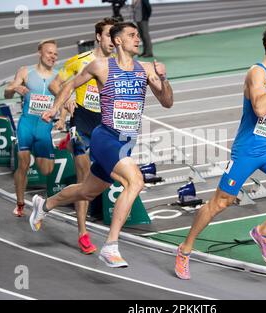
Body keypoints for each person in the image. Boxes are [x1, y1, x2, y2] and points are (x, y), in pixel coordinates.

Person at [175, 24, 266, 280]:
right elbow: (261, 109)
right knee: (221, 202)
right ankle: (185, 249)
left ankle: (262, 232)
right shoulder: (257, 73)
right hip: (249, 150)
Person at [29, 22, 173, 268]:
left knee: (87, 190)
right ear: (117, 41)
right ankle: (110, 246)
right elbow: (69, 85)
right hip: (105, 137)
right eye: (132, 35)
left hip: (127, 143)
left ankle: (45, 204)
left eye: (138, 35)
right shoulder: (100, 66)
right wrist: (55, 109)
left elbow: (167, 102)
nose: (138, 39)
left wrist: (163, 79)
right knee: (135, 181)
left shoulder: (146, 69)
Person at [49, 17, 117, 255]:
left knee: (103, 177)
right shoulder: (79, 61)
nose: (113, 40)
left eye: (116, 35)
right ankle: (82, 232)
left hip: (106, 124)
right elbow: (55, 84)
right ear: (99, 36)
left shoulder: (119, 64)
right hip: (82, 121)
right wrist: (65, 98)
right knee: (83, 173)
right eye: (109, 35)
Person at [4, 40, 58, 218]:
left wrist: (62, 118)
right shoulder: (26, 71)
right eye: (49, 52)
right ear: (39, 53)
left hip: (44, 126)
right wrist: (14, 87)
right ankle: (20, 203)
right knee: (23, 164)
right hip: (26, 124)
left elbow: (63, 100)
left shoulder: (58, 76)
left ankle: (38, 148)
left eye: (55, 54)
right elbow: (7, 93)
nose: (53, 56)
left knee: (47, 170)